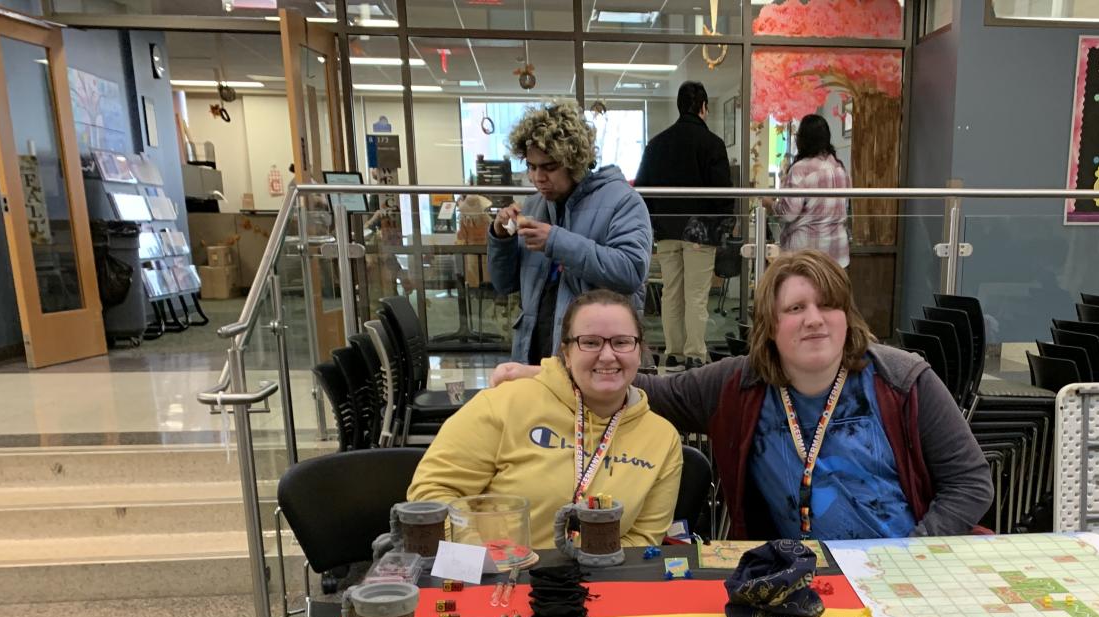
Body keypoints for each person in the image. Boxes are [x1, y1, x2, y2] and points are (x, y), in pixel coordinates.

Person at [492, 250, 992, 540]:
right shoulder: (738, 384)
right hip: (795, 580)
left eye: (828, 305)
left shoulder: (903, 380)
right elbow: (642, 386)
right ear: (770, 326)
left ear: (847, 316)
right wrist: (545, 373)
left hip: (902, 574)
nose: (814, 319)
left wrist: (914, 552)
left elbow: (971, 483)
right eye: (795, 308)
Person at [408, 290, 683, 549]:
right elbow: (432, 491)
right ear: (566, 352)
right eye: (590, 342)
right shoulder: (505, 403)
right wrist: (483, 558)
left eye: (622, 342)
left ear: (639, 350)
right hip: (495, 579)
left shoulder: (662, 438)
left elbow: (642, 539)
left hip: (594, 587)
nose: (608, 355)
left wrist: (583, 579)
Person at [489, 101, 653, 364]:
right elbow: (503, 284)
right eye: (531, 166)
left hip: (599, 360)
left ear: (575, 161)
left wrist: (555, 241)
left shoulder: (623, 201)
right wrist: (501, 239)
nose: (538, 177)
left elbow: (631, 271)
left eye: (549, 167)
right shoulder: (534, 205)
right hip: (535, 354)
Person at [634, 80, 733, 370]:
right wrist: (723, 229)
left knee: (671, 291)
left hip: (665, 231)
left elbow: (642, 189)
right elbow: (723, 192)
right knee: (697, 295)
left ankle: (674, 352)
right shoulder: (712, 144)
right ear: (703, 107)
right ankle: (695, 354)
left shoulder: (656, 144)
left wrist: (654, 225)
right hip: (700, 231)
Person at [774, 115, 851, 268]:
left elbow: (788, 214)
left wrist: (771, 204)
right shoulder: (839, 168)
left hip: (807, 254)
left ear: (803, 139)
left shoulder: (800, 169)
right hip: (838, 255)